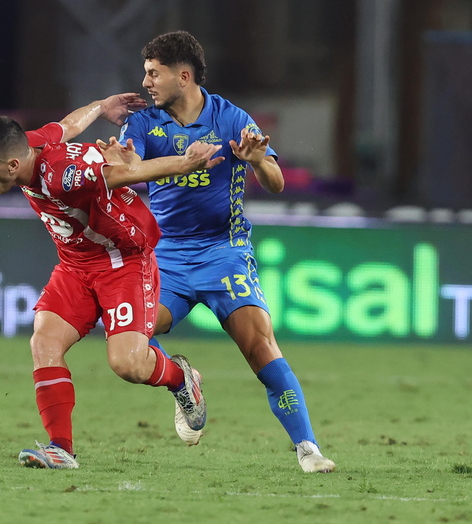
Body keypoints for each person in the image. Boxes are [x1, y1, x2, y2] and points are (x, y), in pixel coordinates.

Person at [115, 31, 336, 473]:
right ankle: (184, 384)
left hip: (224, 252)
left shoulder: (231, 118)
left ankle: (307, 448)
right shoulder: (142, 123)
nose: (146, 83)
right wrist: (130, 161)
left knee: (259, 346)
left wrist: (257, 161)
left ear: (184, 75)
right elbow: (124, 170)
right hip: (167, 257)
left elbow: (276, 181)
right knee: (131, 342)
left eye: (153, 73)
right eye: (145, 73)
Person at [0, 97, 223, 469]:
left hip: (123, 261)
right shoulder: (29, 145)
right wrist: (102, 106)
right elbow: (68, 126)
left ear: (12, 164)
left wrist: (186, 163)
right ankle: (61, 449)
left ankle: (180, 378)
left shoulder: (61, 176)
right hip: (75, 265)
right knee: (44, 341)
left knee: (128, 365)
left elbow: (127, 175)